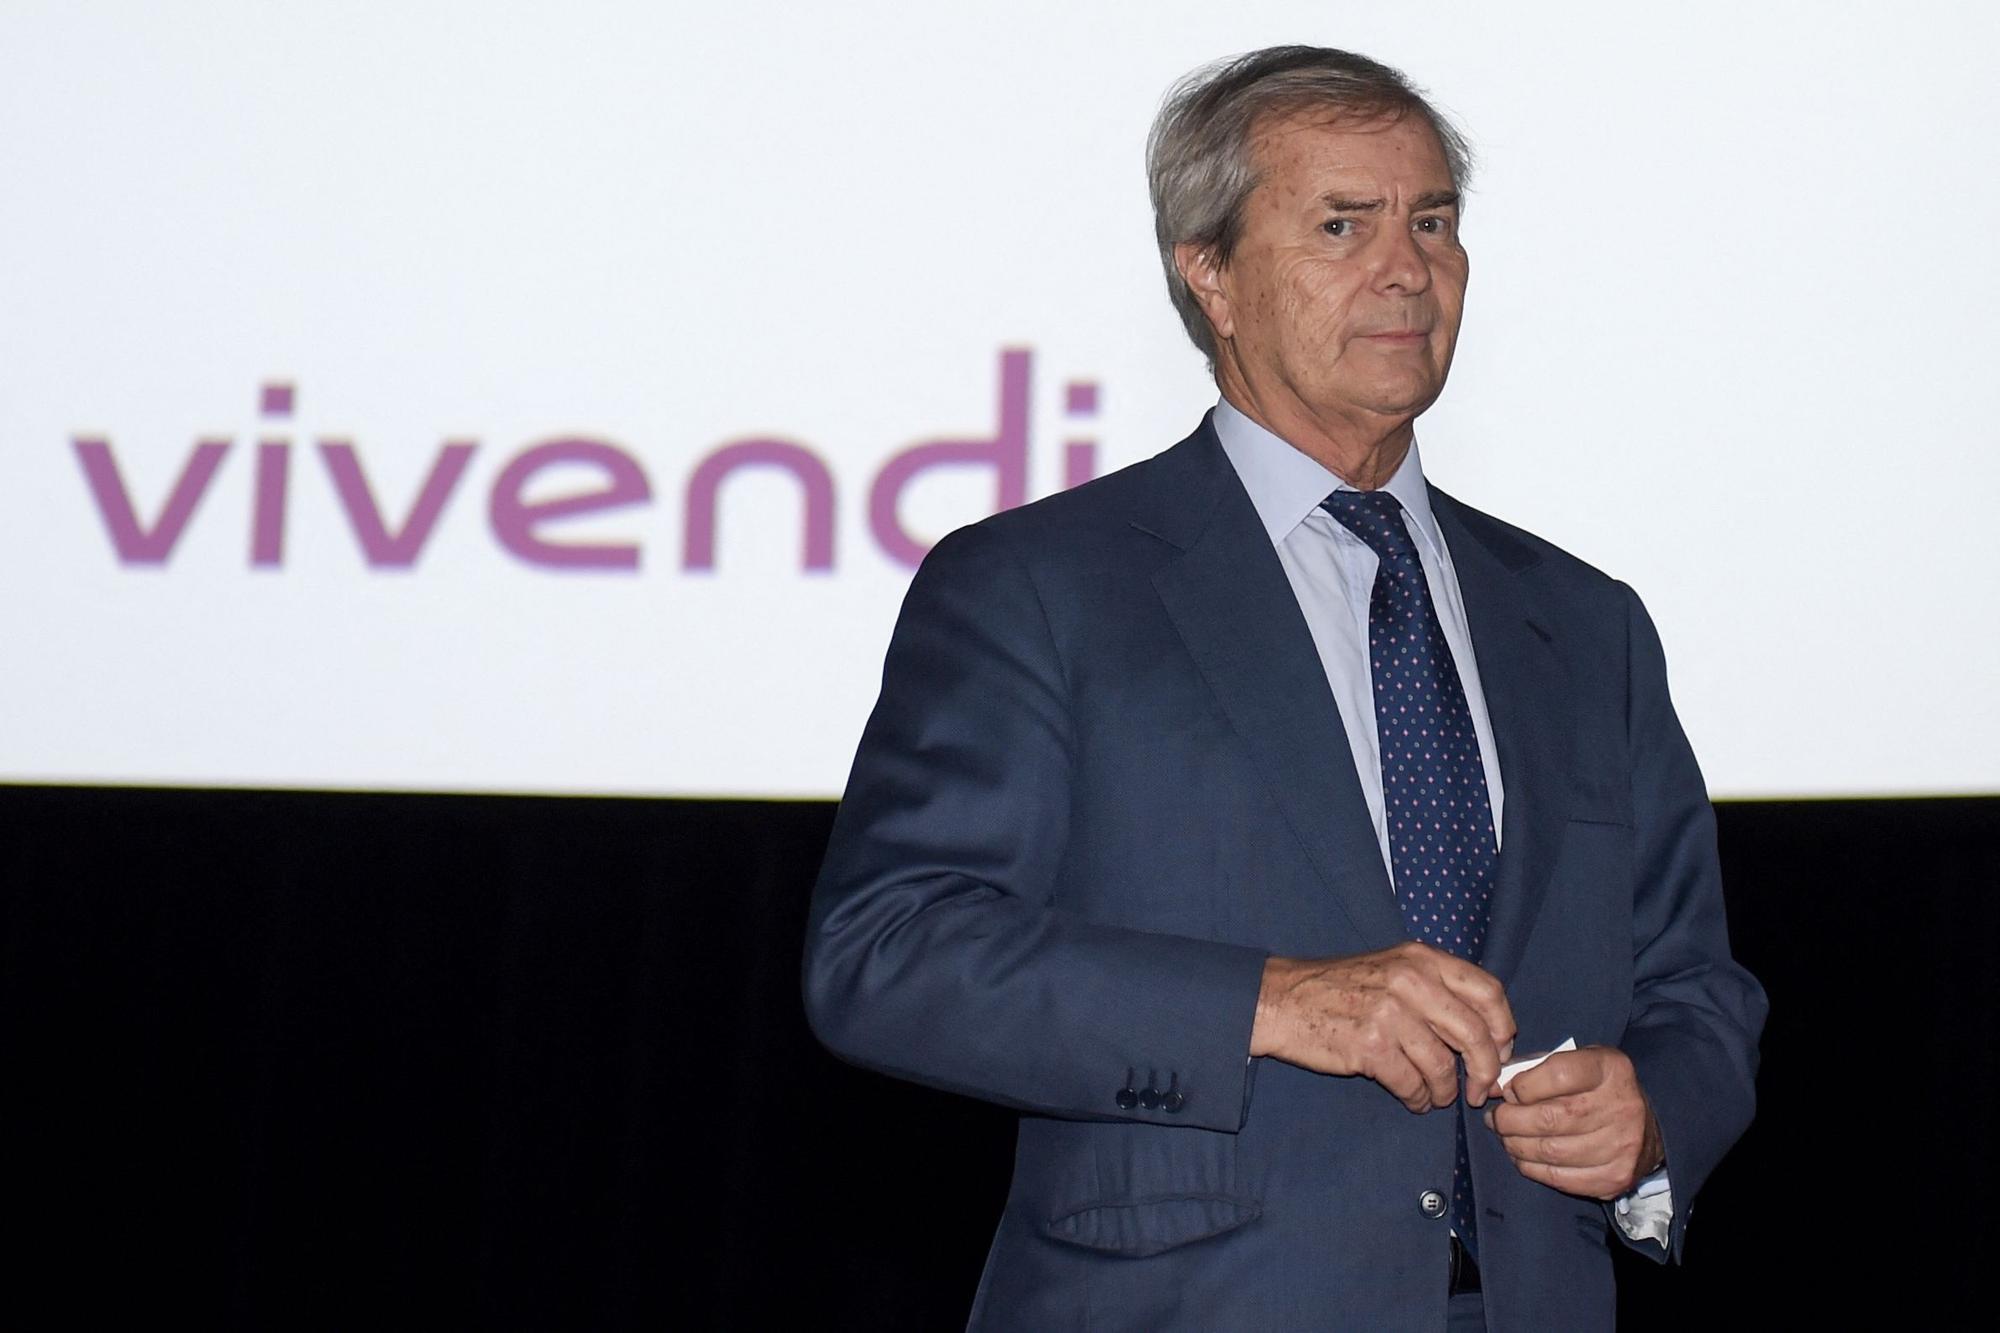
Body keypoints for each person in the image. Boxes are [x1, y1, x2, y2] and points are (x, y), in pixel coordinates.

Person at [802, 45, 1765, 1331]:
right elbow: (890, 954)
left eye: (1430, 221)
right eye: (1338, 225)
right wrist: (1274, 1002)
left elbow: (1693, 989)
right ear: (1210, 276)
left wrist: (1648, 1122)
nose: (1405, 268)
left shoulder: (1584, 624)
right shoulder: (1039, 585)